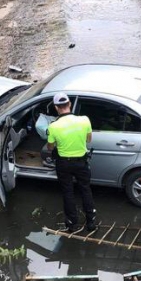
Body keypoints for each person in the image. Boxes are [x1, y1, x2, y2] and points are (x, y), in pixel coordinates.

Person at [47, 92, 96, 232]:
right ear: (69, 104)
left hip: (64, 164)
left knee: (68, 192)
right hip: (82, 162)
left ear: (56, 108)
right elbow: (88, 140)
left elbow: (50, 147)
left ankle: (72, 224)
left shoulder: (53, 127)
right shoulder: (85, 120)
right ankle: (91, 222)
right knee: (86, 189)